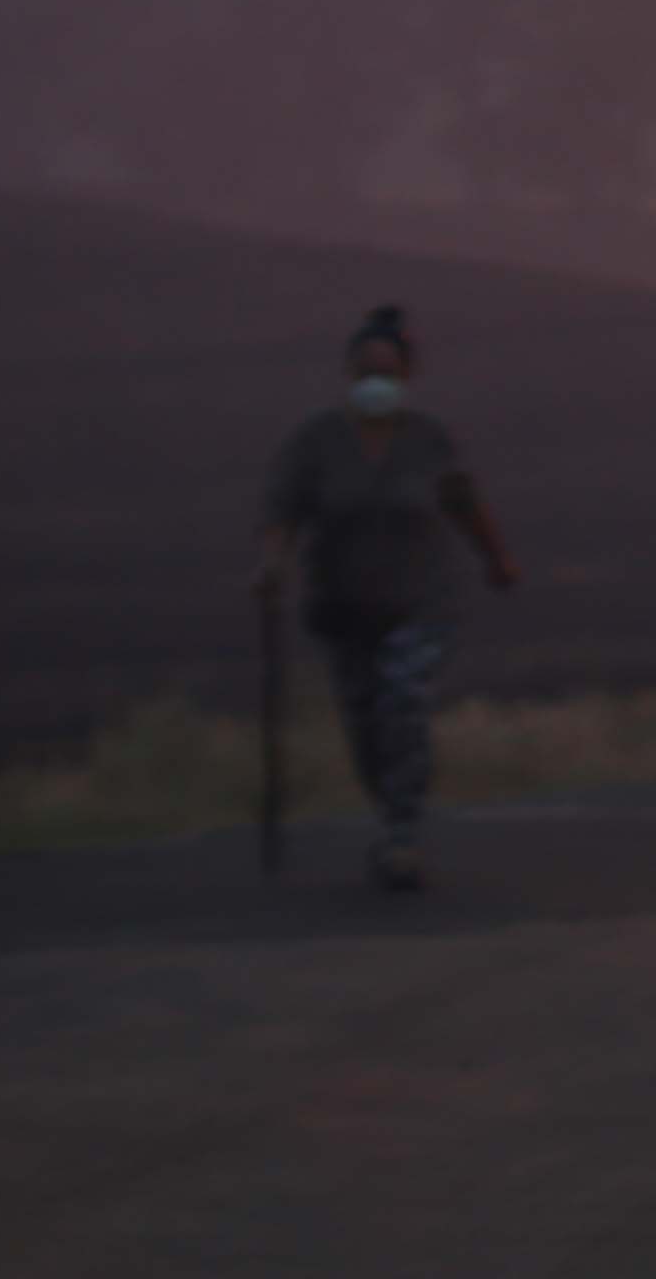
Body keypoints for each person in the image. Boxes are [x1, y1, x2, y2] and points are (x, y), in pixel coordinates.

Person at [253, 304, 521, 892]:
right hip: (344, 607)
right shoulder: (316, 442)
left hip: (421, 601)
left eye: (388, 370)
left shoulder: (428, 440)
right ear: (350, 374)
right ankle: (390, 811)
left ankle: (402, 834)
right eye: (367, 369)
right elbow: (283, 512)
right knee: (365, 721)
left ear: (405, 375)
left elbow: (463, 502)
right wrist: (271, 565)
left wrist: (496, 560)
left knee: (403, 702)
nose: (377, 381)